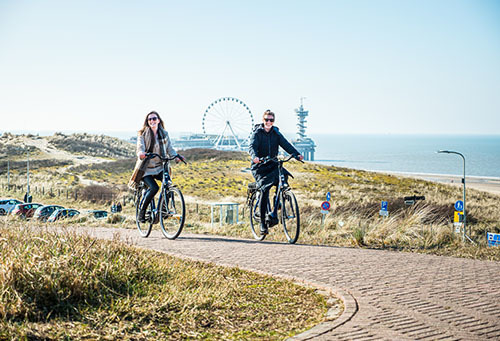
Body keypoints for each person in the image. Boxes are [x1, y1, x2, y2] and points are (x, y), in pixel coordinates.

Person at [249, 109, 303, 235]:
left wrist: (296, 154)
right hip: (260, 167)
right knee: (264, 190)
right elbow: (252, 147)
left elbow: (286, 144)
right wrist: (255, 157)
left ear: (273, 121)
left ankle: (277, 201)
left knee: (284, 176)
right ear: (263, 120)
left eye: (271, 120)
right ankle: (263, 224)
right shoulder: (257, 133)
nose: (269, 122)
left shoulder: (276, 133)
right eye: (266, 119)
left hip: (273, 163)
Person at [133, 111, 184, 223]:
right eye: (149, 119)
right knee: (154, 188)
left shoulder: (164, 134)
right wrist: (141, 153)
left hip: (160, 166)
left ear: (158, 120)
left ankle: (163, 210)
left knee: (168, 186)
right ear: (147, 122)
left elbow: (169, 148)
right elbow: (140, 147)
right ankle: (142, 211)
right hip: (146, 169)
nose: (152, 121)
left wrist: (176, 157)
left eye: (154, 118)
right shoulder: (143, 134)